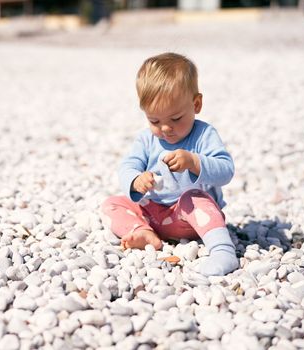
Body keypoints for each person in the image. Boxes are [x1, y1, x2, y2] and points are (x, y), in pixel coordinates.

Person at [101, 52, 239, 276]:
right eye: (154, 121)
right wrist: (137, 180)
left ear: (196, 104)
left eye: (175, 119)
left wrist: (195, 162)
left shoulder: (203, 134)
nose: (165, 128)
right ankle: (144, 233)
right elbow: (128, 166)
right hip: (154, 214)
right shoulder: (147, 139)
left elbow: (226, 170)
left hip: (190, 218)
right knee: (112, 204)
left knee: (193, 198)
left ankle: (223, 251)